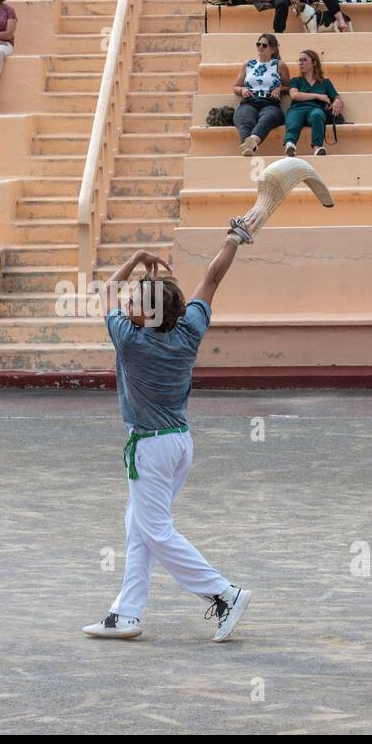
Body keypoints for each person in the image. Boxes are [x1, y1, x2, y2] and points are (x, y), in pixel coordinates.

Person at [82, 242, 251, 644]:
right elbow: (212, 278)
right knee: (138, 528)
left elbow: (105, 290)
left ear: (150, 312)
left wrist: (138, 258)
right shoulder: (188, 329)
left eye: (136, 299)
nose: (126, 302)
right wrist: (232, 240)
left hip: (151, 450)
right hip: (178, 445)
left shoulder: (130, 340)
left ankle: (225, 593)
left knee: (155, 531)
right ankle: (126, 615)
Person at [233, 33, 286, 157]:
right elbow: (235, 86)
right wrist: (242, 90)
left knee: (268, 117)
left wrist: (279, 88)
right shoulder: (248, 64)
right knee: (245, 119)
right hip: (249, 100)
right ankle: (248, 148)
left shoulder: (279, 65)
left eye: (264, 45)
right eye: (258, 44)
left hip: (270, 102)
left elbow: (289, 87)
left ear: (272, 49)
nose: (260, 47)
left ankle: (250, 144)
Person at [284, 50, 342, 157]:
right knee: (294, 118)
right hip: (297, 108)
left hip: (315, 109)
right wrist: (317, 96)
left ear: (314, 63)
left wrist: (337, 101)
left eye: (304, 60)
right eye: (300, 60)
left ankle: (317, 148)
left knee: (317, 115)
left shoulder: (325, 82)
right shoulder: (296, 80)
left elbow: (336, 97)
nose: (300, 63)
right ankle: (290, 144)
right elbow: (294, 95)